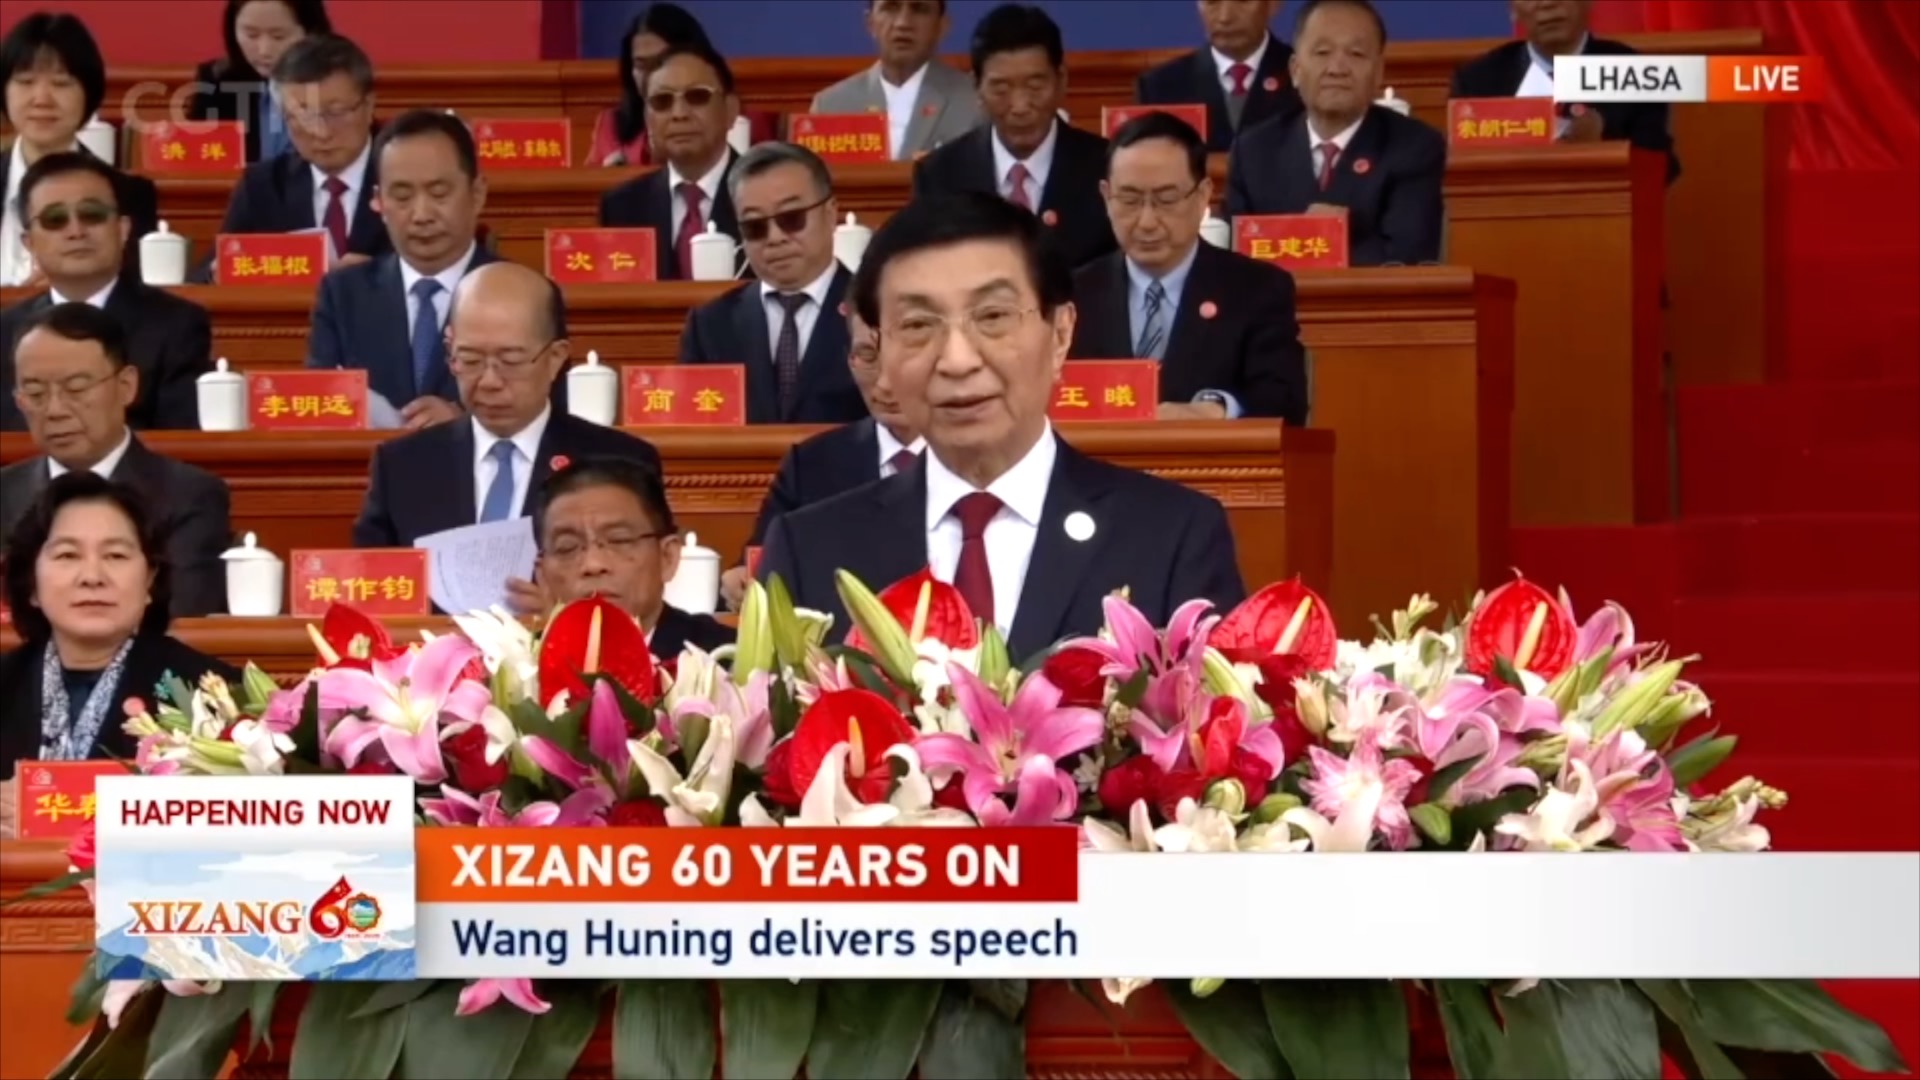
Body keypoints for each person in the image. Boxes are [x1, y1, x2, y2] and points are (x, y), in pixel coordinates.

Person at [756, 192, 1246, 663]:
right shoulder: (809, 549)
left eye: (992, 316)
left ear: (1060, 334)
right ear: (879, 353)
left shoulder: (1173, 536)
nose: (957, 360)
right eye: (918, 325)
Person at [351, 263, 663, 614]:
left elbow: (642, 595)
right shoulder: (403, 466)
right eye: (470, 360)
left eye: (510, 361)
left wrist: (561, 616)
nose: (489, 381)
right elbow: (372, 590)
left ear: (555, 358)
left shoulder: (619, 462)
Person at [0, 473, 242, 780]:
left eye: (115, 555)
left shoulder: (219, 697)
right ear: (31, 584)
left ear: (150, 580)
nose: (92, 577)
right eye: (67, 555)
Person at [1071, 113, 1308, 424]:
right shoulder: (1072, 294)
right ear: (1106, 196)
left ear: (1202, 196)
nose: (1147, 221)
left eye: (1167, 199)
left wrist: (1216, 409)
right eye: (1129, 200)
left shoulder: (1258, 290)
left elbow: (1284, 400)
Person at [1, 303, 231, 616]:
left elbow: (182, 618)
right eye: (36, 394)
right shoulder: (5, 493)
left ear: (126, 386)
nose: (55, 410)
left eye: (76, 389)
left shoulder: (189, 497)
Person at [721, 305, 922, 610]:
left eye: (902, 357)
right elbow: (761, 562)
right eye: (868, 356)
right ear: (850, 360)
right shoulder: (810, 464)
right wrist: (739, 581)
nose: (885, 382)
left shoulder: (978, 456)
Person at [307, 109, 497, 428]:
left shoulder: (525, 295)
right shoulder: (342, 295)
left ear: (477, 194)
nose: (421, 215)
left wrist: (468, 424)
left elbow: (551, 412)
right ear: (379, 202)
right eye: (402, 196)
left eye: (439, 194)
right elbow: (318, 407)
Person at [0, 153, 213, 432]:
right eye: (55, 219)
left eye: (92, 214)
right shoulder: (6, 331)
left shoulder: (176, 324)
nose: (76, 231)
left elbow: (177, 442)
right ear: (29, 243)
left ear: (123, 229)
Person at [1225, 0, 1446, 266]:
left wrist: (1331, 236)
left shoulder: (1415, 147)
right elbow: (1230, 258)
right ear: (1295, 70)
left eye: (1356, 54)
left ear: (1378, 72)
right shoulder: (1254, 151)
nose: (1337, 69)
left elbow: (1408, 256)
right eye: (1322, 52)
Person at [911, 4, 1116, 271]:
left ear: (1061, 81)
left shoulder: (1107, 168)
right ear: (977, 88)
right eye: (1001, 89)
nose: (1020, 106)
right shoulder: (940, 175)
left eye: (1035, 86)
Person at [677, 141, 866, 424]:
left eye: (792, 218)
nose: (775, 238)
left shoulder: (877, 310)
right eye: (755, 226)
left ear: (830, 214)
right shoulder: (710, 326)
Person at [0, 12, 160, 287]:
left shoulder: (129, 194)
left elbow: (134, 296)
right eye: (26, 82)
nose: (42, 99)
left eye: (61, 83)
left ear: (89, 95)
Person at [207, 33, 388, 271]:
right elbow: (207, 273)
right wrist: (219, 272)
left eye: (336, 112)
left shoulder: (409, 176)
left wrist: (379, 275)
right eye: (303, 116)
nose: (321, 132)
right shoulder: (263, 185)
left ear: (369, 106)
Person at [1451, 0, 1679, 183]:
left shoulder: (1634, 71)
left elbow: (1662, 170)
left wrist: (1601, 145)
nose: (1548, 4)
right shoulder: (1478, 81)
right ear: (1512, 9)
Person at [532, 457, 733, 659]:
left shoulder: (728, 661)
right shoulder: (523, 665)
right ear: (543, 577)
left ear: (667, 557)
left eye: (619, 540)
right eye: (567, 547)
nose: (593, 564)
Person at [598, 42, 744, 280]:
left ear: (731, 110)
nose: (679, 114)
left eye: (697, 96)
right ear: (647, 118)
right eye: (662, 101)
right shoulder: (621, 206)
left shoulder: (767, 195)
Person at [810, 0, 982, 161]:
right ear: (870, 23)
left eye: (919, 9)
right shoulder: (831, 106)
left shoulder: (976, 102)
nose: (903, 23)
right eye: (890, 8)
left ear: (942, 26)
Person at [1137, 0, 1303, 153]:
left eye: (1242, 1)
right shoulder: (1159, 88)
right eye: (1212, 2)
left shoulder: (1306, 75)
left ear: (1273, 5)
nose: (1225, 17)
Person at [187, 0, 333, 163]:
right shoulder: (217, 79)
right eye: (251, 35)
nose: (264, 51)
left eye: (278, 37)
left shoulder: (338, 80)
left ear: (311, 33)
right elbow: (197, 157)